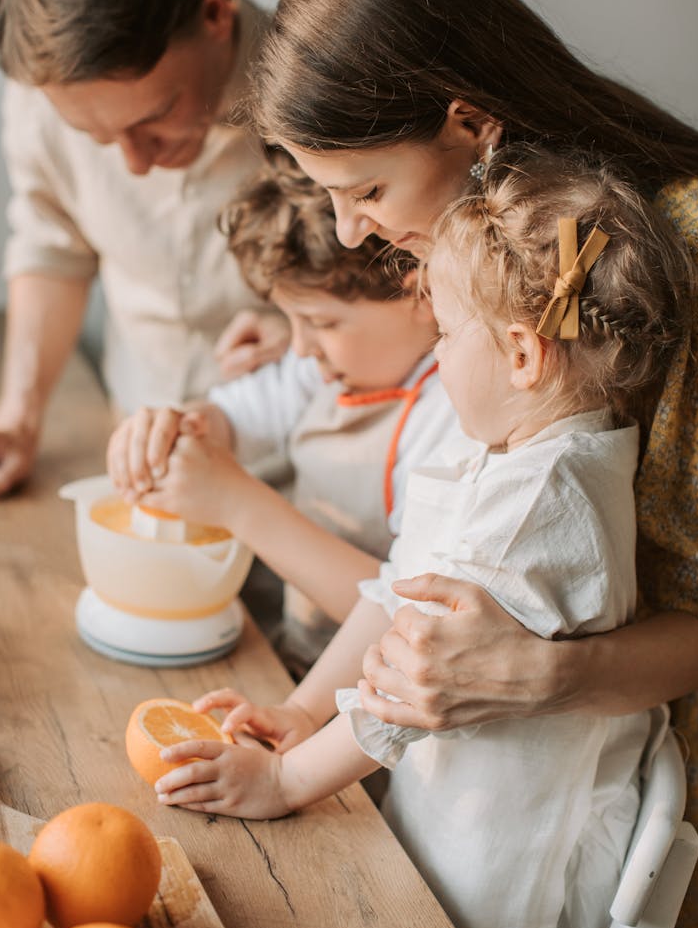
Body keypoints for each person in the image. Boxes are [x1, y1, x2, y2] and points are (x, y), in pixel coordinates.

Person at [247, 0, 698, 928]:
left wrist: (553, 676)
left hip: (657, 828)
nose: (347, 233)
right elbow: (417, 576)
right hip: (512, 783)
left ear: (468, 121)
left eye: (365, 191)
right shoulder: (492, 284)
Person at [151, 147, 691, 928]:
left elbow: (403, 692)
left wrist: (285, 780)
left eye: (442, 334)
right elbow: (399, 591)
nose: (433, 362)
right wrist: (302, 712)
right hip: (453, 807)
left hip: (499, 865)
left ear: (521, 354)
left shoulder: (535, 504)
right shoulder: (526, 449)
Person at [0, 0, 288, 502]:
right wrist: (18, 416)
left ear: (213, 15)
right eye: (95, 137)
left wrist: (306, 334)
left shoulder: (321, 92)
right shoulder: (43, 97)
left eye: (156, 116)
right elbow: (54, 248)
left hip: (302, 472)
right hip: (135, 451)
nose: (137, 165)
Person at [107, 162, 456, 669]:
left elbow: (402, 614)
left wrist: (237, 503)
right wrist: (182, 425)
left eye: (320, 321)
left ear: (421, 293)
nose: (299, 346)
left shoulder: (446, 415)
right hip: (297, 661)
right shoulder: (327, 367)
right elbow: (237, 416)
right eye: (290, 319)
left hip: (370, 705)